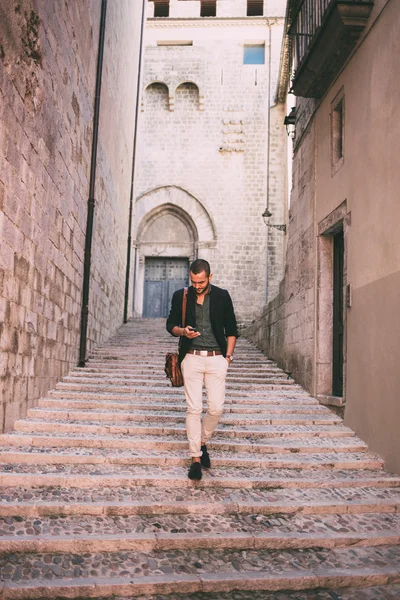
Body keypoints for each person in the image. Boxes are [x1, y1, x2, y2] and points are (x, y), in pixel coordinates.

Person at [166, 259, 238, 480]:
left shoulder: (222, 296)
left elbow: (232, 328)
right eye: (194, 281)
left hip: (217, 358)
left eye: (201, 281)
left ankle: (202, 441)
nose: (197, 285)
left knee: (216, 408)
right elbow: (171, 325)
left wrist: (227, 357)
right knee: (193, 409)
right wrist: (183, 331)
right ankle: (195, 458)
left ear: (210, 277)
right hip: (192, 359)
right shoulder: (181, 296)